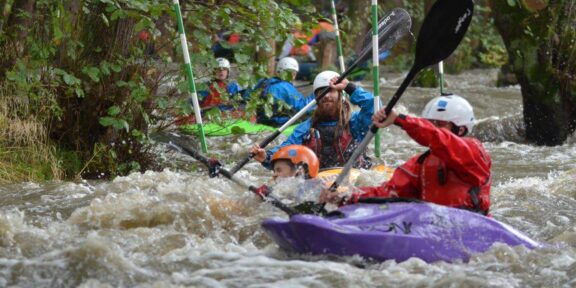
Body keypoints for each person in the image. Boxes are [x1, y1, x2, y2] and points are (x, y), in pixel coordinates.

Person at [319, 95, 492, 215]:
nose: (432, 127)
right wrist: (345, 197)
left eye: (439, 124)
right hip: (432, 224)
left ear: (460, 129)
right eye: (429, 123)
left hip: (468, 220)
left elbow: (438, 138)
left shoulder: (473, 151)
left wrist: (400, 119)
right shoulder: (421, 163)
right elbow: (387, 193)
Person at [251, 70, 374, 170]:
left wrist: (350, 88)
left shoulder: (355, 122)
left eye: (330, 91)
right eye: (321, 92)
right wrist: (266, 157)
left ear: (340, 95)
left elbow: (374, 107)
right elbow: (286, 150)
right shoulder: (306, 128)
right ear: (316, 98)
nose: (326, 95)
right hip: (321, 181)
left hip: (354, 176)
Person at [250, 57, 313, 126]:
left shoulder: (263, 82)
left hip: (261, 121)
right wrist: (315, 96)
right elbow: (302, 108)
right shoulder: (286, 88)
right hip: (279, 123)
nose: (294, 76)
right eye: (293, 73)